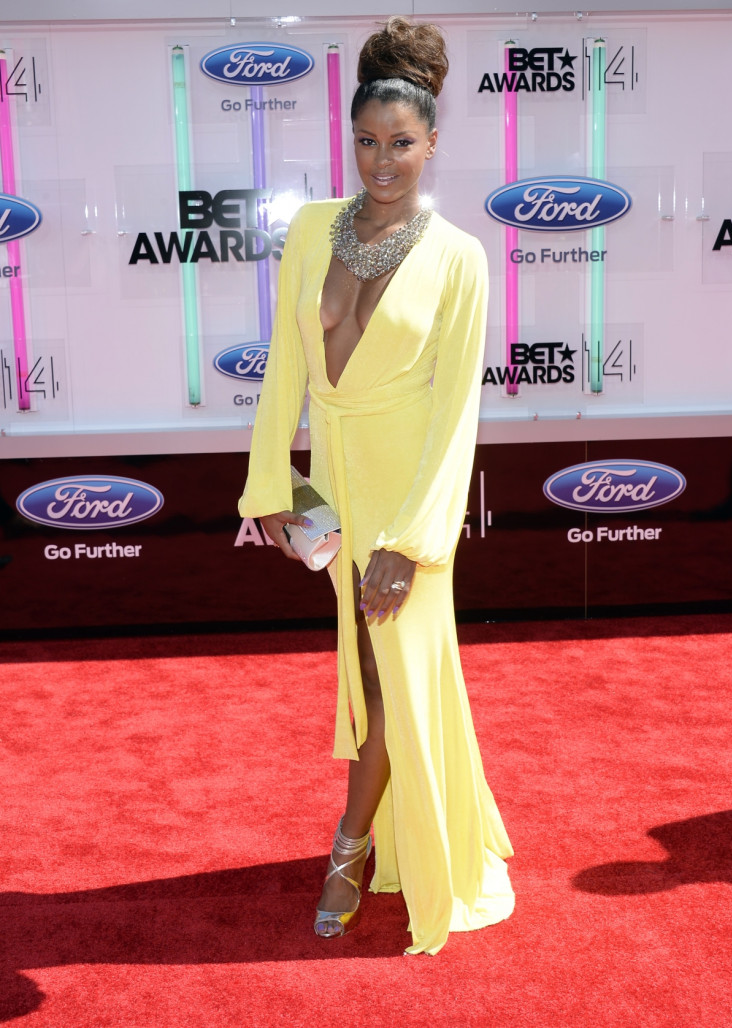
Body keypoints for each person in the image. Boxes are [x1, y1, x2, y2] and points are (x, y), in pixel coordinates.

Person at [238, 16, 514, 956]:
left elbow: (455, 420)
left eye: (402, 144)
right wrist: (270, 482)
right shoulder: (313, 229)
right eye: (366, 142)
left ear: (434, 144)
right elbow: (286, 367)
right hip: (333, 488)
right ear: (347, 139)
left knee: (393, 672)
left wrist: (412, 542)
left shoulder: (462, 256)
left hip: (409, 503)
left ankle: (350, 848)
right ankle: (399, 829)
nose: (382, 161)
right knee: (361, 674)